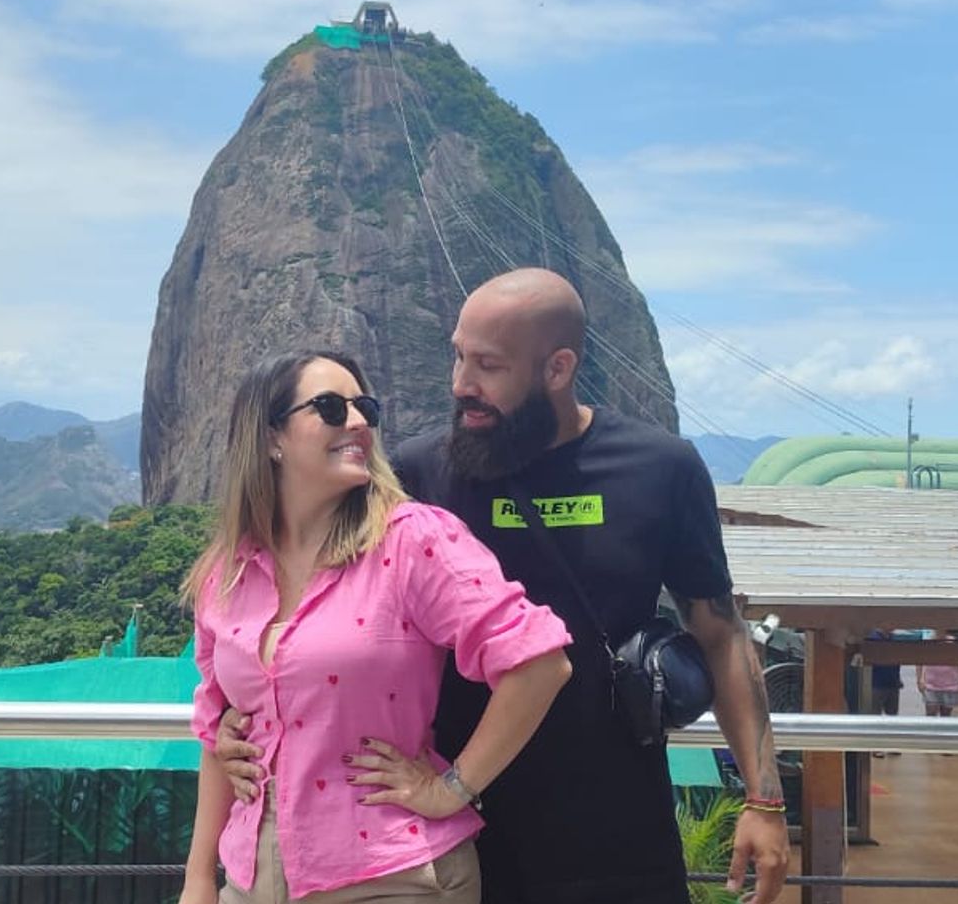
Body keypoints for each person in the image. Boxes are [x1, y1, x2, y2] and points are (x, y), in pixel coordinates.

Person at [221, 269, 791, 904]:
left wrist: (764, 797)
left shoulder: (660, 468)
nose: (461, 383)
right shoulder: (421, 471)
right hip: (456, 831)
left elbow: (719, 633)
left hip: (618, 830)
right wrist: (239, 725)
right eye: (458, 356)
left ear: (558, 368)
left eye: (488, 365)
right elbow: (317, 609)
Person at [180, 350, 574, 904]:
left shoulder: (412, 540)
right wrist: (199, 879)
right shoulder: (228, 572)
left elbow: (540, 662)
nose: (358, 422)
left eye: (365, 407)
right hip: (251, 876)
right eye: (330, 407)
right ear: (270, 437)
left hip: (392, 874)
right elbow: (218, 733)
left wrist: (450, 789)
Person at [917, 632, 958, 719]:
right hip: (930, 685)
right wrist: (919, 680)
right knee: (930, 714)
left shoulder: (954, 642)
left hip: (951, 685)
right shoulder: (927, 642)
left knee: (946, 716)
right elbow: (919, 662)